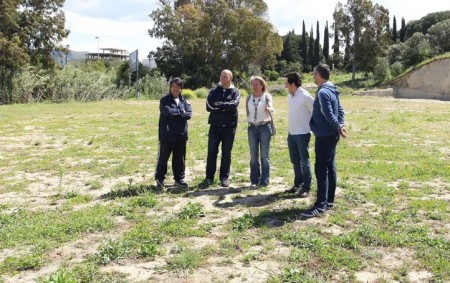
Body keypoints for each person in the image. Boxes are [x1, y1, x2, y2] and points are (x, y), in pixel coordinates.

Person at [301, 64, 347, 218]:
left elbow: (328, 114)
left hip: (325, 136)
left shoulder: (323, 92)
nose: (313, 77)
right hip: (331, 135)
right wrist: (341, 125)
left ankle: (320, 205)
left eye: (314, 74)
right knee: (330, 168)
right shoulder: (333, 89)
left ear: (319, 75)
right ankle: (329, 201)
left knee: (321, 170)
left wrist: (338, 127)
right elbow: (340, 111)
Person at [202, 69, 240, 188]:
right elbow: (209, 106)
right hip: (215, 127)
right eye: (222, 75)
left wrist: (219, 104)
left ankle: (224, 177)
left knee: (226, 153)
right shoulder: (213, 91)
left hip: (229, 127)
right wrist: (224, 107)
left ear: (231, 78)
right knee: (212, 152)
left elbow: (234, 105)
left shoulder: (236, 91)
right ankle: (209, 178)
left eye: (226, 76)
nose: (223, 78)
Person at [155, 77, 192, 189]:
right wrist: (181, 112)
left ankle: (179, 179)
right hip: (167, 135)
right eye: (173, 86)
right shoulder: (164, 100)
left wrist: (179, 113)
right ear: (170, 87)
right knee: (163, 159)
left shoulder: (185, 101)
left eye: (178, 86)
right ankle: (160, 179)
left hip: (181, 135)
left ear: (181, 88)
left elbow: (189, 115)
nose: (176, 89)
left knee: (179, 159)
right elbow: (167, 112)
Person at [284, 72, 314, 197]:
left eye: (286, 83)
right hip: (292, 133)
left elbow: (315, 112)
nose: (285, 86)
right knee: (295, 161)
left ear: (293, 84)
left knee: (304, 161)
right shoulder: (290, 96)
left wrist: (312, 128)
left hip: (303, 133)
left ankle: (306, 188)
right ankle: (298, 184)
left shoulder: (306, 96)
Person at [245, 76, 274, 188]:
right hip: (252, 128)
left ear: (262, 85)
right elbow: (248, 113)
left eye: (257, 84)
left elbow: (271, 105)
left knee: (264, 156)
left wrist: (269, 108)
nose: (254, 86)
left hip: (264, 127)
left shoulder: (267, 96)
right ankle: (254, 180)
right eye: (253, 84)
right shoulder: (248, 98)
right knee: (253, 156)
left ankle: (264, 181)